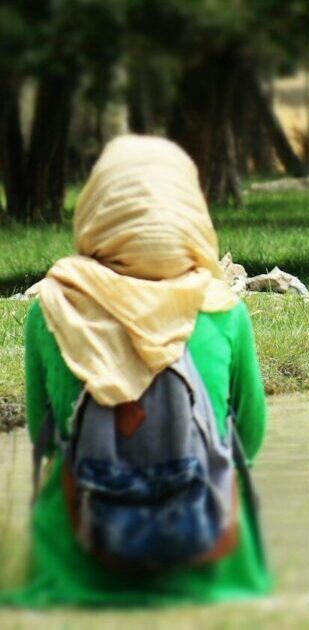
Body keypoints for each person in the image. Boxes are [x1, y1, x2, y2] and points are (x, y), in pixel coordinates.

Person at [1, 136, 271, 607]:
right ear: (188, 212)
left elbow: (43, 434)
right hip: (209, 570)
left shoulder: (51, 309)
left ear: (98, 209)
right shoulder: (224, 312)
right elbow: (249, 436)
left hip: (77, 570)